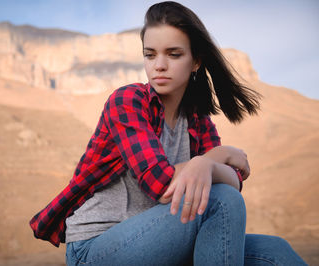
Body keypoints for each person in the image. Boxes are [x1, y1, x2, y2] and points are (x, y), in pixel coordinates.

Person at [30, 1, 307, 265]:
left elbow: (234, 181)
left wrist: (205, 165)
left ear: (196, 61)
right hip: (95, 249)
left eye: (173, 54)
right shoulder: (128, 101)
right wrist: (216, 158)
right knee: (218, 201)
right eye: (150, 55)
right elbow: (162, 187)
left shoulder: (197, 119)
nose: (159, 65)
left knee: (274, 251)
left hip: (164, 235)